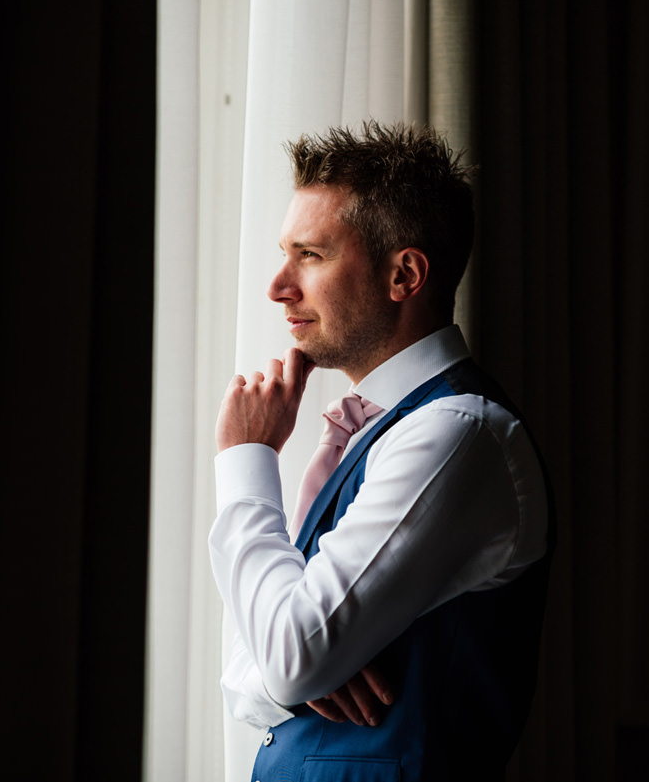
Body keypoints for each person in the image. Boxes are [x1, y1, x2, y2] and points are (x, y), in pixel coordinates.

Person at [209, 122, 553, 781]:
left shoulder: (456, 435)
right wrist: (294, 669)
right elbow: (249, 676)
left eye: (309, 254)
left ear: (405, 273)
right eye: (284, 253)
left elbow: (284, 652)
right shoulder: (369, 436)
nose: (279, 286)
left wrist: (247, 460)